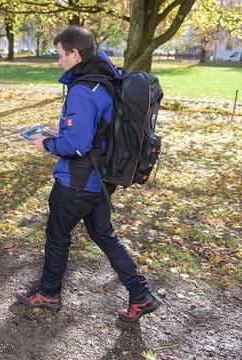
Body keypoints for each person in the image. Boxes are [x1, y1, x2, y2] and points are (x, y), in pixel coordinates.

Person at [14, 25, 162, 322]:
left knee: (57, 236)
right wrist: (63, 129)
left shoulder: (83, 89)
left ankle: (49, 293)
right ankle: (141, 294)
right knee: (105, 235)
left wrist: (47, 143)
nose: (58, 61)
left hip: (77, 182)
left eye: (60, 55)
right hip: (102, 181)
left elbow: (76, 145)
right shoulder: (106, 80)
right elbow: (97, 131)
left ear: (75, 53)